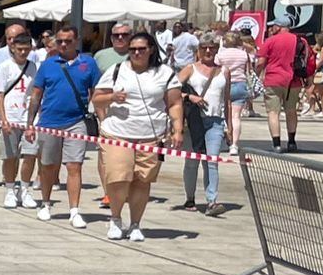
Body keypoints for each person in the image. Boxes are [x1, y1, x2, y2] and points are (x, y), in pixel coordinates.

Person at [92, 31, 179, 243]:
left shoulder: (165, 73)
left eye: (141, 49)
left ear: (151, 49)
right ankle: (115, 219)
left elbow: (175, 103)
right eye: (132, 49)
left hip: (151, 135)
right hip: (117, 133)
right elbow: (97, 99)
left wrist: (177, 129)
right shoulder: (117, 70)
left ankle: (135, 224)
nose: (136, 53)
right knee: (118, 178)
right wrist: (112, 97)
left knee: (142, 180)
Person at [27, 24, 100, 229]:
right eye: (59, 41)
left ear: (76, 41)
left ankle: (74, 210)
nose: (63, 44)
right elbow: (36, 95)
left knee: (74, 165)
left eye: (68, 41)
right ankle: (46, 203)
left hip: (76, 122)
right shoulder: (48, 64)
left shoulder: (88, 63)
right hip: (49, 123)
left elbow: (96, 91)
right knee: (48, 165)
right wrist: (30, 124)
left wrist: (95, 114)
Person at [0, 25, 41, 210]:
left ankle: (25, 189)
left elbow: (36, 93)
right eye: (19, 49)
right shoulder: (4, 66)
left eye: (26, 49)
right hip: (10, 116)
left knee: (30, 155)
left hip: (29, 117)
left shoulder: (34, 67)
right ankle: (9, 189)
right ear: (12, 47)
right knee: (10, 156)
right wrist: (3, 119)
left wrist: (36, 118)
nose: (22, 53)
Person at [174, 34, 226, 213]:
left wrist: (230, 127)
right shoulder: (190, 69)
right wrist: (190, 97)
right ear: (198, 50)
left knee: (212, 160)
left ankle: (212, 201)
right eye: (204, 47)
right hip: (193, 121)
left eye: (212, 47)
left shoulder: (224, 71)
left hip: (215, 122)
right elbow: (172, 91)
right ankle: (190, 198)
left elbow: (226, 100)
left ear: (217, 49)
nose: (208, 51)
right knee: (192, 161)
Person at [257, 12, 315, 153]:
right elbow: (310, 61)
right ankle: (292, 142)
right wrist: (309, 80)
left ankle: (276, 144)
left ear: (279, 27)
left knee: (273, 112)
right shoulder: (301, 41)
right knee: (291, 111)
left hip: (274, 80)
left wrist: (256, 76)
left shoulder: (270, 41)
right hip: (294, 81)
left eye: (274, 26)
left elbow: (260, 62)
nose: (272, 28)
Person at [215, 23, 253, 145]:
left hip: (224, 85)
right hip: (240, 84)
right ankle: (234, 144)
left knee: (223, 114)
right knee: (236, 116)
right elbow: (249, 70)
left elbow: (215, 70)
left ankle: (227, 135)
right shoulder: (244, 54)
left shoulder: (220, 55)